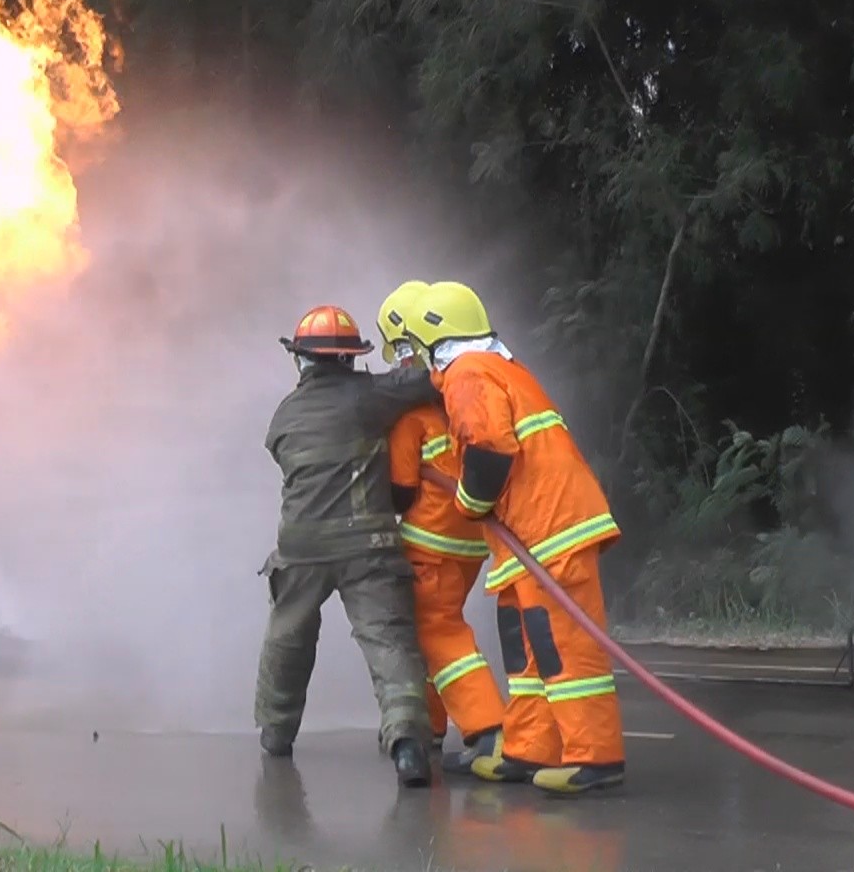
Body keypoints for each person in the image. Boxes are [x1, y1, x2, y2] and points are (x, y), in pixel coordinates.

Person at [392, 280, 626, 795]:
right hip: (528, 539)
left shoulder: (467, 375)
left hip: (551, 530)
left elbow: (491, 450)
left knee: (564, 648)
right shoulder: (497, 368)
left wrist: (469, 504)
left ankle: (595, 758)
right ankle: (527, 749)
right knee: (527, 649)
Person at [254, 303, 441, 788]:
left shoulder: (284, 414)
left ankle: (275, 733)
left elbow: (280, 451)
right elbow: (427, 382)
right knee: (389, 639)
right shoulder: (369, 396)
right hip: (369, 546)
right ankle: (407, 746)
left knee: (287, 638)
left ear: (302, 360)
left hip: (301, 548)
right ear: (349, 359)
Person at [374, 280, 506, 775]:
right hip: (469, 542)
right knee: (426, 634)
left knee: (438, 630)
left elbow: (401, 490)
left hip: (430, 544)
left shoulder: (412, 418)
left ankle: (488, 728)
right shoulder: (461, 397)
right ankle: (428, 728)